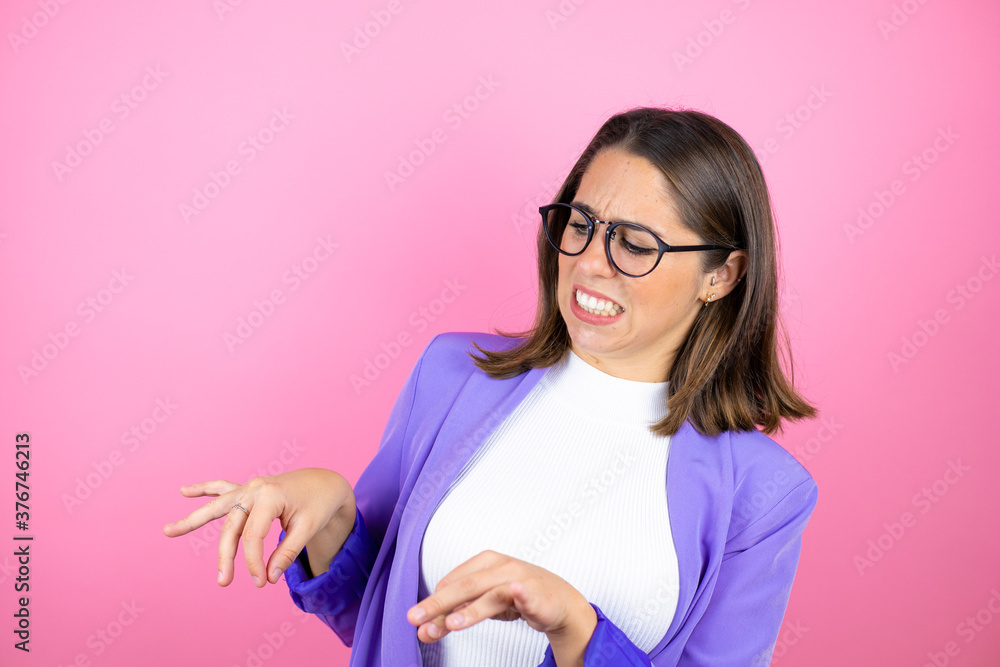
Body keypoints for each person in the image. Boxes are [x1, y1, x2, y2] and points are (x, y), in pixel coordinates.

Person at [164, 106, 819, 666]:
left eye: (636, 244)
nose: (591, 263)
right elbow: (380, 617)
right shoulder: (451, 377)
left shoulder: (763, 493)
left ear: (721, 275)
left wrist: (576, 626)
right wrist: (330, 510)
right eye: (581, 224)